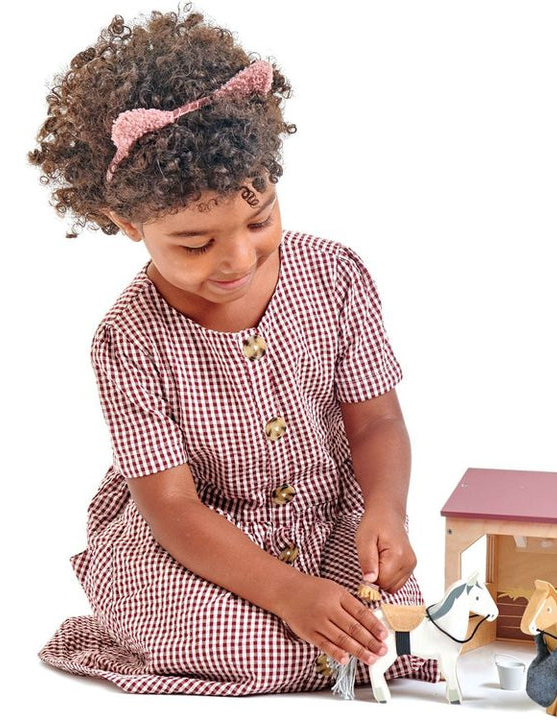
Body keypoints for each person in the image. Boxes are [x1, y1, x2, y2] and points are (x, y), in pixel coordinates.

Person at [30, 7, 438, 696]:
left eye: (259, 219)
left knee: (388, 630)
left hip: (321, 522)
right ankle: (122, 630)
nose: (238, 259)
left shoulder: (335, 276)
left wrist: (385, 511)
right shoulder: (127, 339)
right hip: (196, 540)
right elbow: (173, 509)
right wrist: (286, 593)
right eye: (195, 243)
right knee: (265, 651)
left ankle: (323, 629)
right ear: (126, 222)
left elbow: (376, 421)